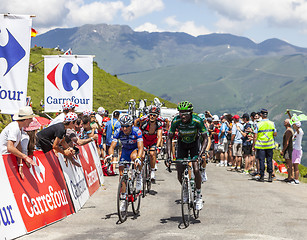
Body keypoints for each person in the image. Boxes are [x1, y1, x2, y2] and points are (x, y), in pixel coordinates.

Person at [167, 101, 208, 211]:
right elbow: (169, 138)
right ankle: (185, 188)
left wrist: (200, 154)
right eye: (181, 113)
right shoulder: (176, 121)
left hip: (194, 144)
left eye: (185, 113)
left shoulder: (197, 120)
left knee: (195, 169)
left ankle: (198, 196)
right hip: (182, 144)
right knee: (179, 171)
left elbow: (205, 138)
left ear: (191, 113)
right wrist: (168, 156)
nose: (183, 115)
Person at [108, 115, 144, 212]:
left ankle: (139, 175)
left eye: (127, 126)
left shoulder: (137, 131)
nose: (124, 128)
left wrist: (138, 158)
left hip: (135, 150)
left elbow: (141, 147)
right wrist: (110, 156)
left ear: (131, 125)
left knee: (134, 157)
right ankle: (123, 198)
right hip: (125, 151)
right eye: (123, 126)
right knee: (121, 173)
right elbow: (112, 146)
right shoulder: (118, 131)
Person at [0, 107, 38, 179]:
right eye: (31, 118)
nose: (32, 120)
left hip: (5, 158)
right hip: (2, 158)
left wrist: (20, 164)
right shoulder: (14, 128)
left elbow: (18, 146)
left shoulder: (19, 128)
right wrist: (25, 157)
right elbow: (10, 147)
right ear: (26, 119)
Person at [136, 105, 163, 183]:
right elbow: (137, 123)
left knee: (152, 153)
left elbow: (159, 136)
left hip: (153, 141)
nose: (152, 116)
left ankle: (152, 171)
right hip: (144, 140)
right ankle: (140, 174)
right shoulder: (145, 122)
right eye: (150, 114)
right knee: (142, 156)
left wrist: (157, 147)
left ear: (157, 116)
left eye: (154, 115)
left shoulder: (159, 124)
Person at [253, 109, 277, 182]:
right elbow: (275, 134)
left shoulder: (258, 124)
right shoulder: (272, 123)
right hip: (269, 145)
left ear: (261, 115)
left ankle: (262, 175)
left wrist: (253, 145)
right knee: (269, 160)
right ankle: (270, 176)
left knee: (261, 160)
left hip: (261, 145)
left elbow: (255, 136)